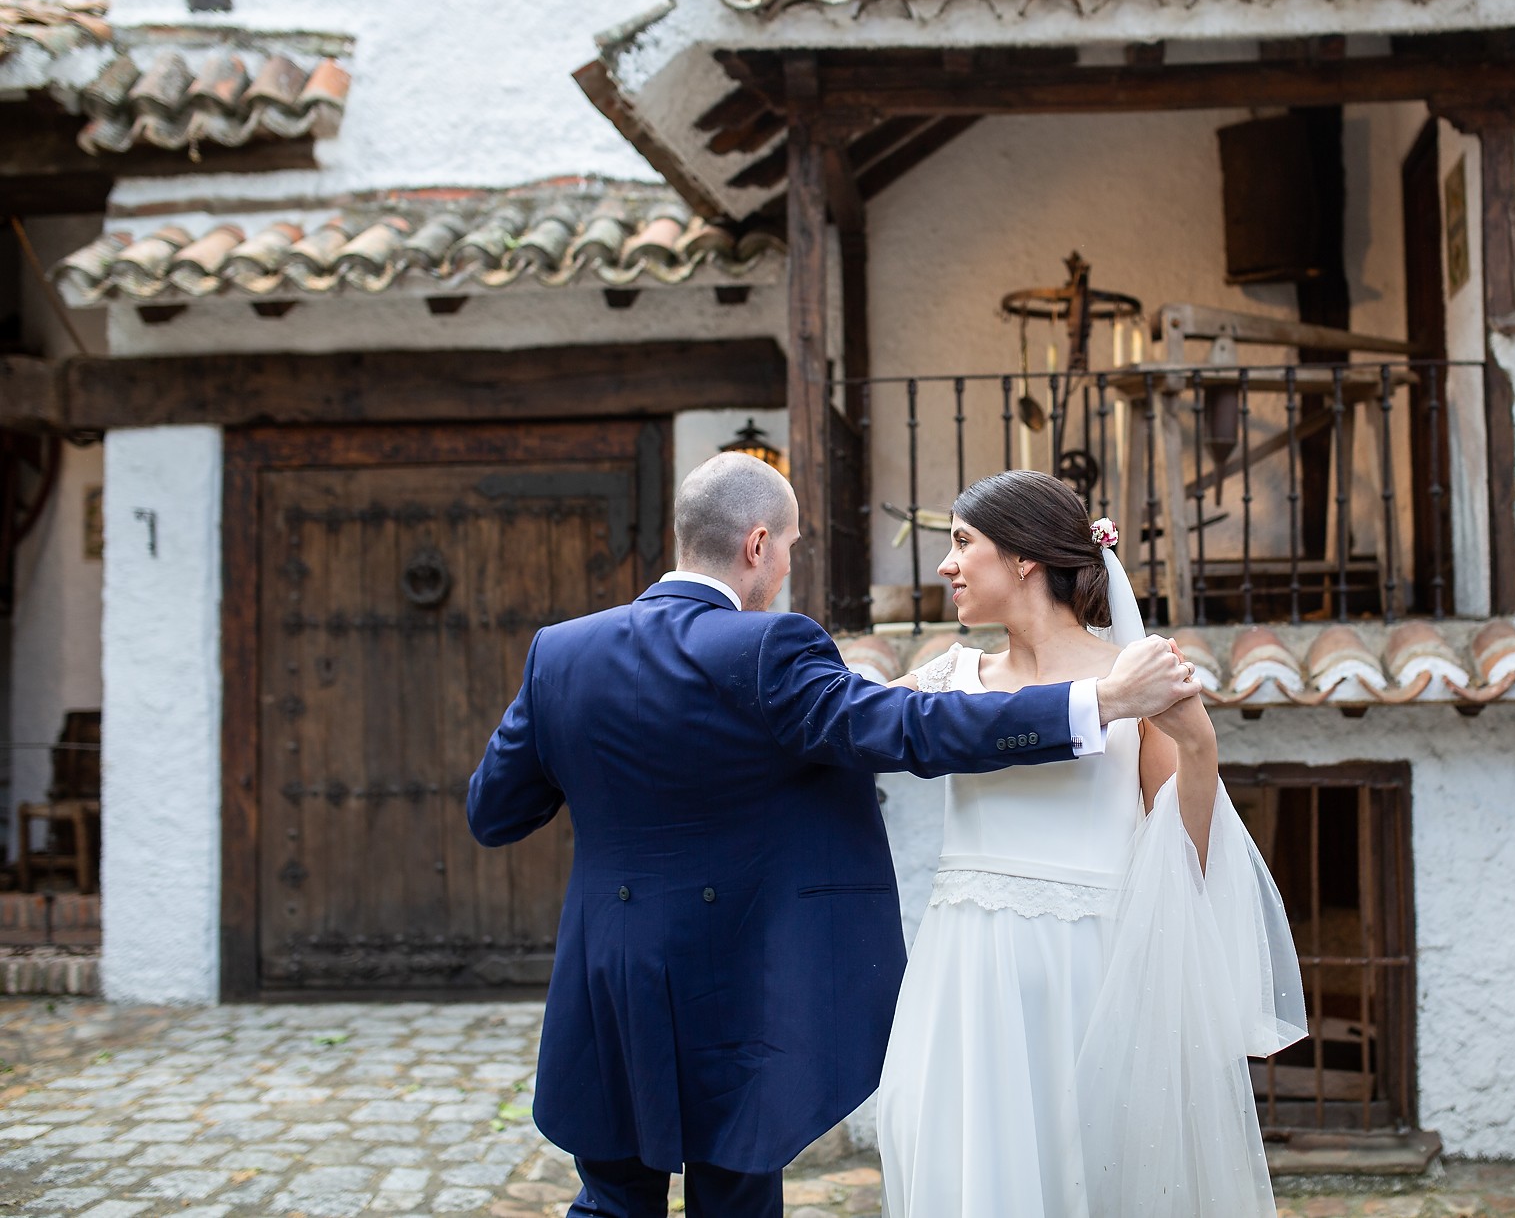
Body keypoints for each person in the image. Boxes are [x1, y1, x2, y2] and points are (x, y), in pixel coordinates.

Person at [464, 453, 1201, 1218]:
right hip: (733, 977)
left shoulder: (561, 652)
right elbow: (906, 726)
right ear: (756, 546)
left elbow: (495, 812)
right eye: (789, 545)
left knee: (612, 1195)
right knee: (735, 1193)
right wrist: (1100, 701)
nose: (786, 565)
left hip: (608, 972)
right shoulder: (766, 648)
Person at [876, 470, 1307, 1218]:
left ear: (1023, 560)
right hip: (968, 977)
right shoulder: (949, 677)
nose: (946, 564)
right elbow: (857, 725)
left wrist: (1200, 747)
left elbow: (1187, 851)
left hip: (1094, 976)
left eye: (962, 542)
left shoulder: (1136, 678)